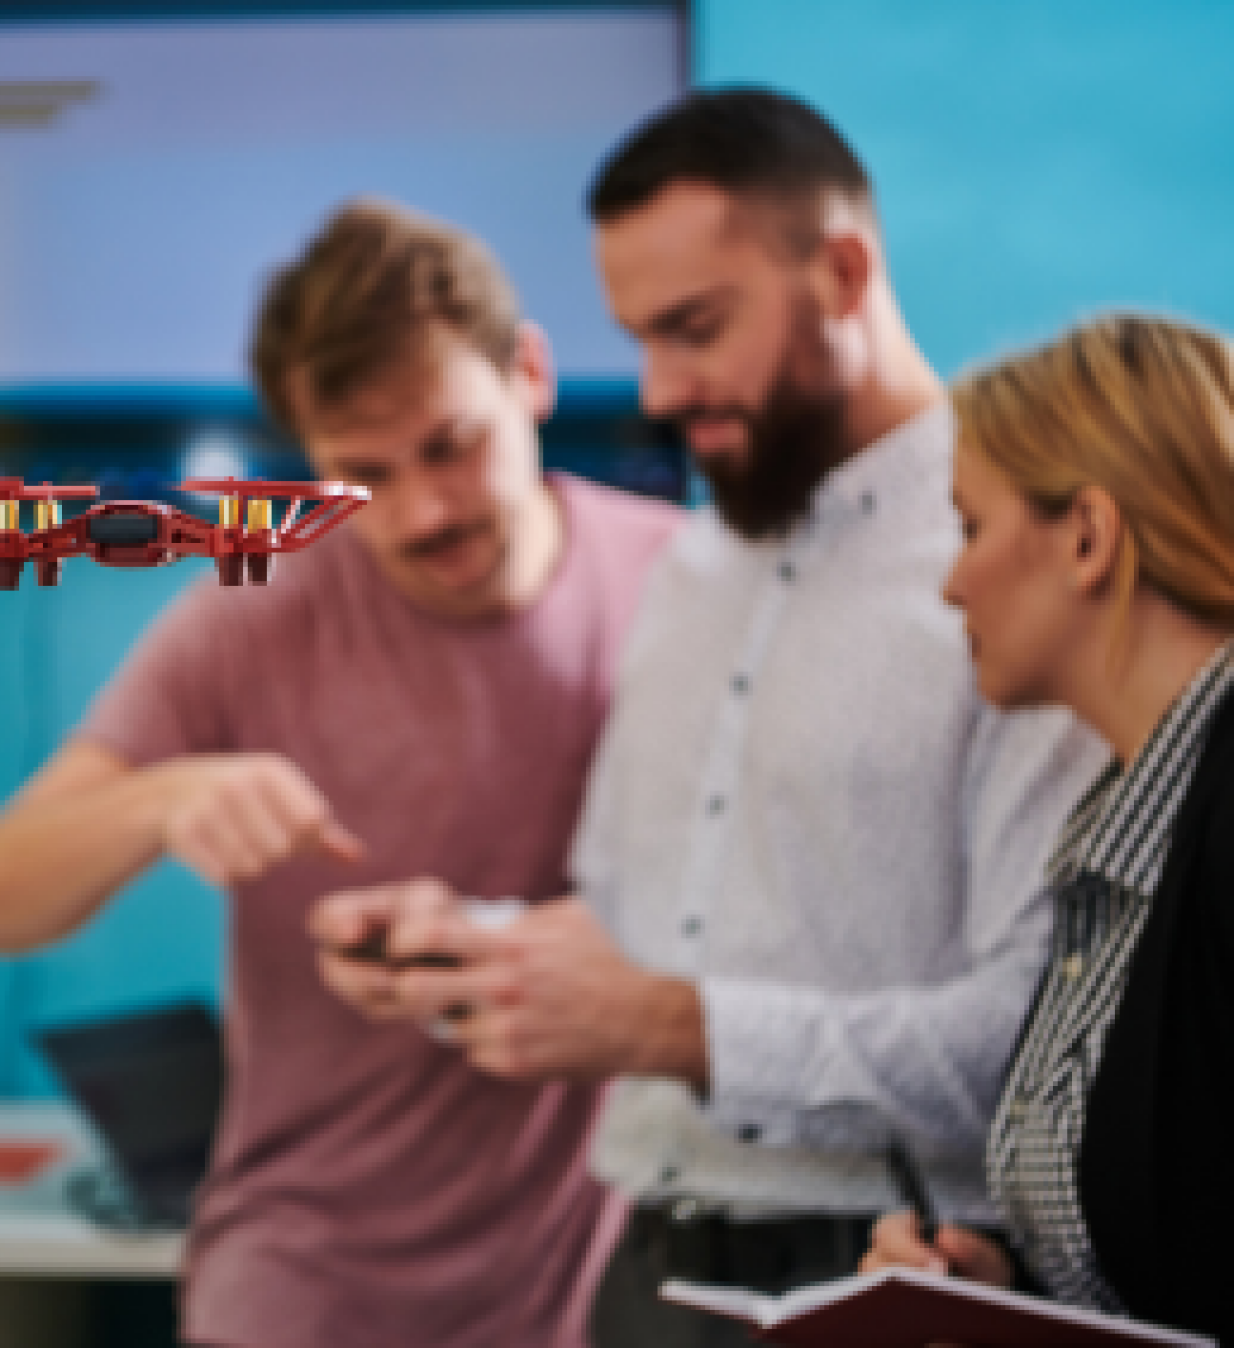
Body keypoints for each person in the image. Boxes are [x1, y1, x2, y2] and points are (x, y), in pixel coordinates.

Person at [312, 89, 1105, 1346]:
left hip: (899, 1275)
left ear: (843, 273)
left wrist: (679, 1029)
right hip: (647, 1269)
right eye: (640, 337)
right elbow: (637, 927)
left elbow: (1049, 1032)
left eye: (695, 328)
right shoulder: (690, 567)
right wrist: (468, 946)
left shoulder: (1014, 564)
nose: (661, 387)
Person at [0, 198, 683, 1347]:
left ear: (530, 374)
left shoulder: (686, 585)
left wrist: (510, 941)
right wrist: (161, 797)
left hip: (599, 1286)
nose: (423, 511)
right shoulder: (256, 618)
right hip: (302, 1279)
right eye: (364, 473)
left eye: (451, 445)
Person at [860, 314, 1234, 1346]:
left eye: (970, 527)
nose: (951, 583)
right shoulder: (1126, 817)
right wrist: (1012, 1289)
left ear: (1087, 538)